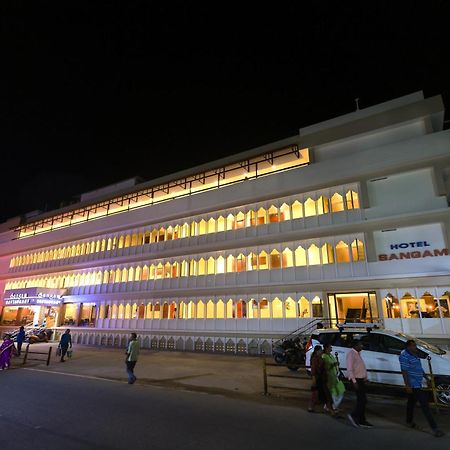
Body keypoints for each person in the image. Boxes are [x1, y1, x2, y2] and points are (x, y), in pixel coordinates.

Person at [399, 340, 444, 438]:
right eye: (414, 346)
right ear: (408, 347)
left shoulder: (414, 354)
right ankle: (435, 429)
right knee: (425, 406)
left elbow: (419, 368)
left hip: (418, 383)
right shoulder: (404, 356)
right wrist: (408, 385)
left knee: (411, 403)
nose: (416, 347)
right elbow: (404, 371)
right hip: (413, 385)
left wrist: (426, 378)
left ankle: (409, 421)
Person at [346, 340, 373, 428]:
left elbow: (360, 368)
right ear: (355, 346)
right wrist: (354, 381)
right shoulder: (351, 354)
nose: (362, 346)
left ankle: (361, 419)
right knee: (362, 400)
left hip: (360, 379)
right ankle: (355, 416)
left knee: (362, 400)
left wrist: (365, 378)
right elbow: (350, 369)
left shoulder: (357, 354)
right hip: (357, 380)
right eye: (360, 344)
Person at [322, 343, 345, 414]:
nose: (331, 348)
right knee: (336, 392)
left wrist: (336, 364)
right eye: (330, 347)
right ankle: (332, 407)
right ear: (326, 348)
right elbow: (325, 367)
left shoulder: (330, 355)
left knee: (340, 391)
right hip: (330, 377)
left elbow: (334, 364)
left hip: (335, 376)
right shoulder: (324, 356)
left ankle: (329, 406)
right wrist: (333, 364)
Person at [308, 345, 328, 413]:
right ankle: (311, 407)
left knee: (319, 393)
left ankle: (328, 408)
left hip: (320, 377)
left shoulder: (319, 358)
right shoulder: (315, 359)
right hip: (318, 377)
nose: (322, 351)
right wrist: (314, 378)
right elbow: (314, 369)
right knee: (316, 393)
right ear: (317, 351)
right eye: (320, 350)